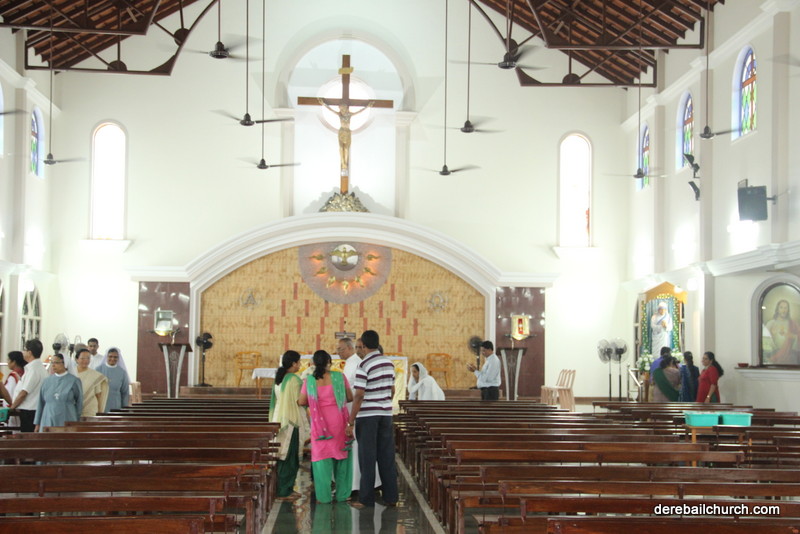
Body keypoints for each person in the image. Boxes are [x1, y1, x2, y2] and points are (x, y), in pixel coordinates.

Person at [348, 330, 398, 508]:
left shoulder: (364, 365)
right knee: (386, 456)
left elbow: (359, 395)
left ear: (364, 345)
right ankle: (391, 497)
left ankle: (366, 499)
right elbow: (392, 390)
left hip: (368, 416)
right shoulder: (388, 363)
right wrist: (384, 404)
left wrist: (351, 420)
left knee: (367, 458)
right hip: (386, 415)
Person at [298, 350, 354, 503]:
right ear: (329, 362)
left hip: (320, 425)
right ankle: (343, 494)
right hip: (339, 422)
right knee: (342, 458)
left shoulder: (309, 380)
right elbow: (350, 397)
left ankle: (323, 497)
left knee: (321, 460)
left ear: (313, 363)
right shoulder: (339, 377)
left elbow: (302, 401)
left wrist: (314, 401)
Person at [269, 350, 309, 501]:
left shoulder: (279, 378)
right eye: (298, 362)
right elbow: (300, 401)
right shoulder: (294, 379)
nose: (300, 364)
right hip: (291, 422)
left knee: (281, 456)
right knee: (290, 457)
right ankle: (284, 491)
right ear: (293, 363)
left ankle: (282, 489)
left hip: (278, 420)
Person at [34, 353, 82, 432]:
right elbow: (41, 403)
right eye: (52, 362)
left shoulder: (74, 381)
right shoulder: (46, 381)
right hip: (48, 417)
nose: (53, 365)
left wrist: (76, 420)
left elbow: (79, 402)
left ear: (65, 364)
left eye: (56, 362)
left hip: (67, 416)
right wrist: (37, 423)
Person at [9, 339, 48, 432]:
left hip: (30, 412)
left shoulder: (34, 370)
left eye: (24, 350)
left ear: (29, 353)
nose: (23, 352)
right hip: (32, 411)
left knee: (28, 437)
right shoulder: (36, 368)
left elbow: (23, 393)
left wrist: (12, 407)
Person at [74, 348, 109, 417]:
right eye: (82, 358)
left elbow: (98, 395)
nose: (85, 360)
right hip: (73, 409)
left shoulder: (95, 375)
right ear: (77, 359)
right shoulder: (71, 373)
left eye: (88, 358)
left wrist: (100, 412)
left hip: (90, 410)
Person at [765, 300, 800, 364]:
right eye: (781, 307)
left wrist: (792, 336)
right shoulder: (771, 323)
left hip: (790, 356)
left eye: (785, 308)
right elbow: (764, 341)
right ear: (777, 309)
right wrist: (772, 335)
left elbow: (798, 336)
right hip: (774, 355)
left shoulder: (793, 324)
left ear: (788, 310)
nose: (783, 310)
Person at [1, 351, 26, 429]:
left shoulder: (13, 376)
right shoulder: (25, 373)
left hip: (13, 408)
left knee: (14, 429)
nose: (7, 362)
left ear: (14, 362)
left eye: (8, 360)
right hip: (23, 408)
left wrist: (12, 406)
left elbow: (9, 393)